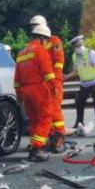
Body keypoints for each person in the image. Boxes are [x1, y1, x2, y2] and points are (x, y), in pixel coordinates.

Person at [14, 24, 56, 162]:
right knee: (45, 118)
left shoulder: (21, 53)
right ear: (42, 38)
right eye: (47, 40)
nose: (47, 43)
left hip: (25, 91)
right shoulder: (40, 49)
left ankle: (34, 146)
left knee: (34, 120)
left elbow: (17, 78)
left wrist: (19, 95)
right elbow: (48, 72)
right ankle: (37, 149)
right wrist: (54, 87)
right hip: (38, 89)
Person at [29, 15, 66, 152]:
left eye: (36, 25)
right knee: (42, 113)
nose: (34, 28)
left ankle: (60, 138)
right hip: (42, 84)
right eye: (32, 26)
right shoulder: (35, 45)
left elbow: (58, 62)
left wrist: (55, 82)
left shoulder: (54, 40)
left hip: (52, 81)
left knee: (55, 111)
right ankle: (47, 139)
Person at [64, 35, 95, 137]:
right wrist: (66, 77)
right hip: (84, 84)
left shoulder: (90, 52)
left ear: (82, 44)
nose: (77, 48)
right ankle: (79, 124)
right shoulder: (74, 56)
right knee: (79, 102)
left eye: (79, 45)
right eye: (76, 46)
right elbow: (76, 71)